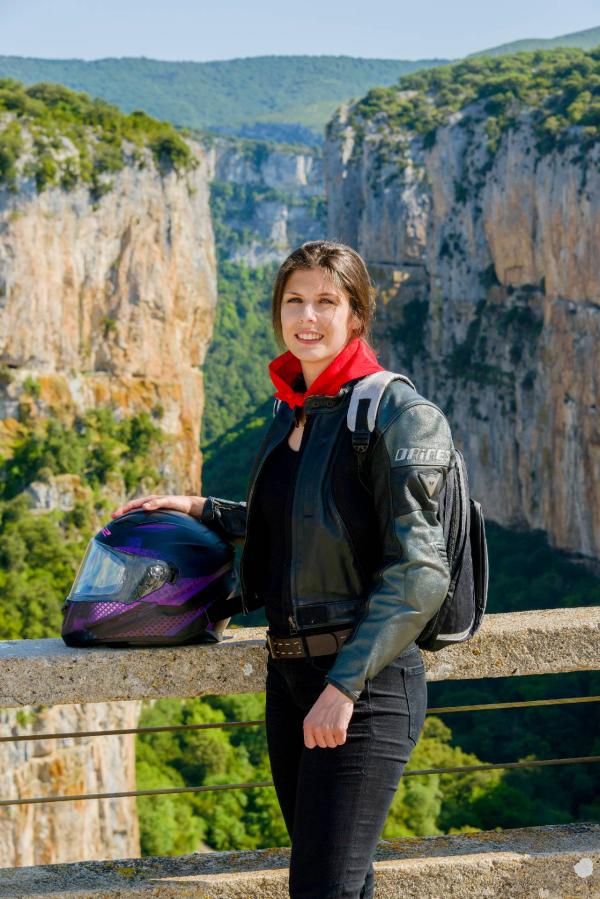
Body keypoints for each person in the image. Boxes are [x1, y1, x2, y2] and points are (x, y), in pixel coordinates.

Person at [112, 240, 455, 898]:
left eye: (327, 301)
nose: (308, 316)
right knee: (340, 883)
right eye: (294, 300)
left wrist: (345, 686)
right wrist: (199, 507)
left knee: (321, 888)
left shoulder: (398, 414)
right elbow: (298, 517)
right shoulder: (293, 410)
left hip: (366, 686)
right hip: (291, 675)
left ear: (357, 315)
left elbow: (421, 570)